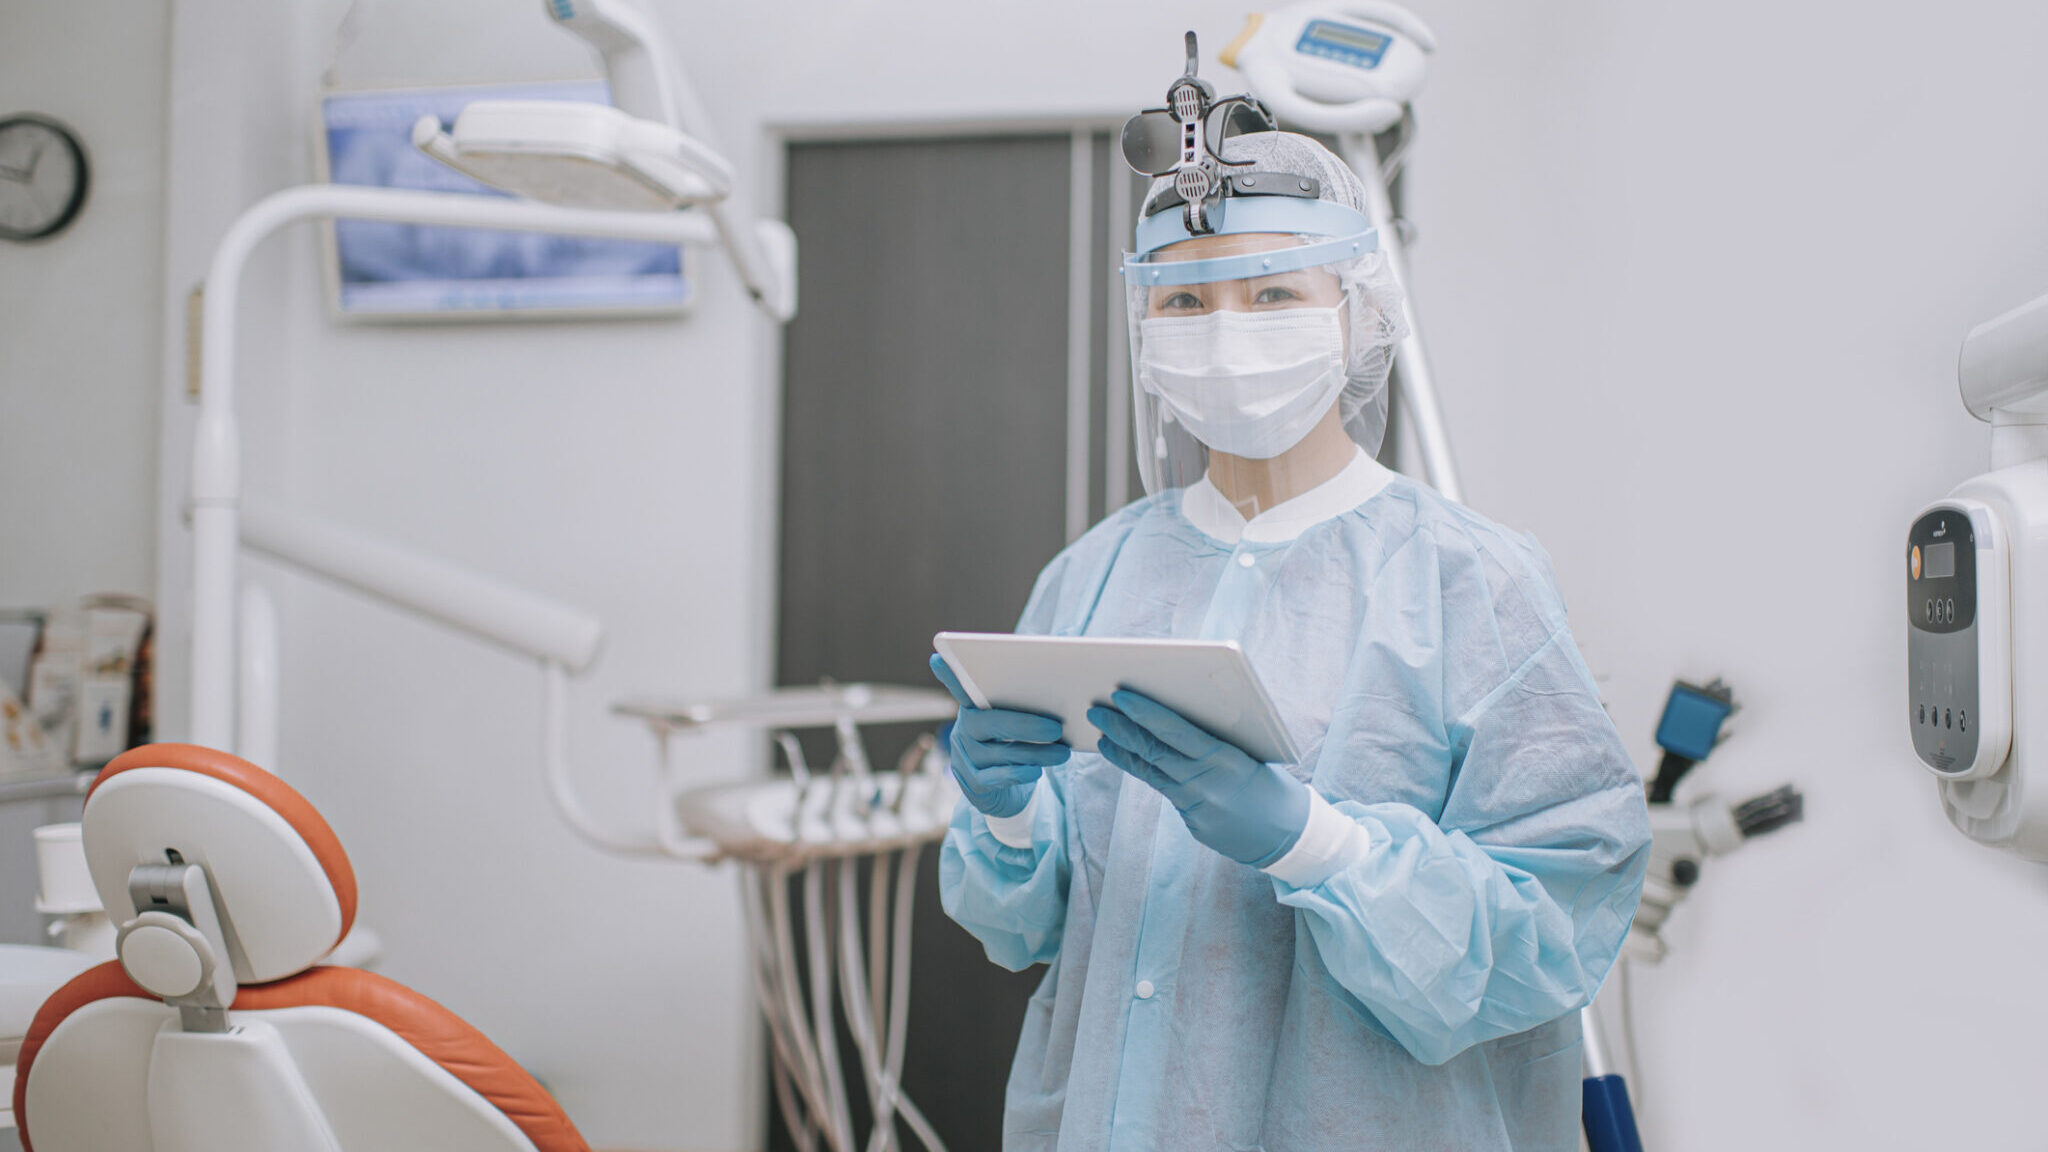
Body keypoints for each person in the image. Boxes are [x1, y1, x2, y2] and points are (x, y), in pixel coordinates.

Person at [929, 99, 1650, 1152]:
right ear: (1144, 326)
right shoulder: (1095, 573)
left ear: (1355, 312)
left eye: (1272, 294)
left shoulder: (1469, 578)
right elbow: (1023, 928)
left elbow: (1549, 934)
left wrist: (1314, 844)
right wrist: (1000, 813)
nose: (1225, 332)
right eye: (1185, 301)